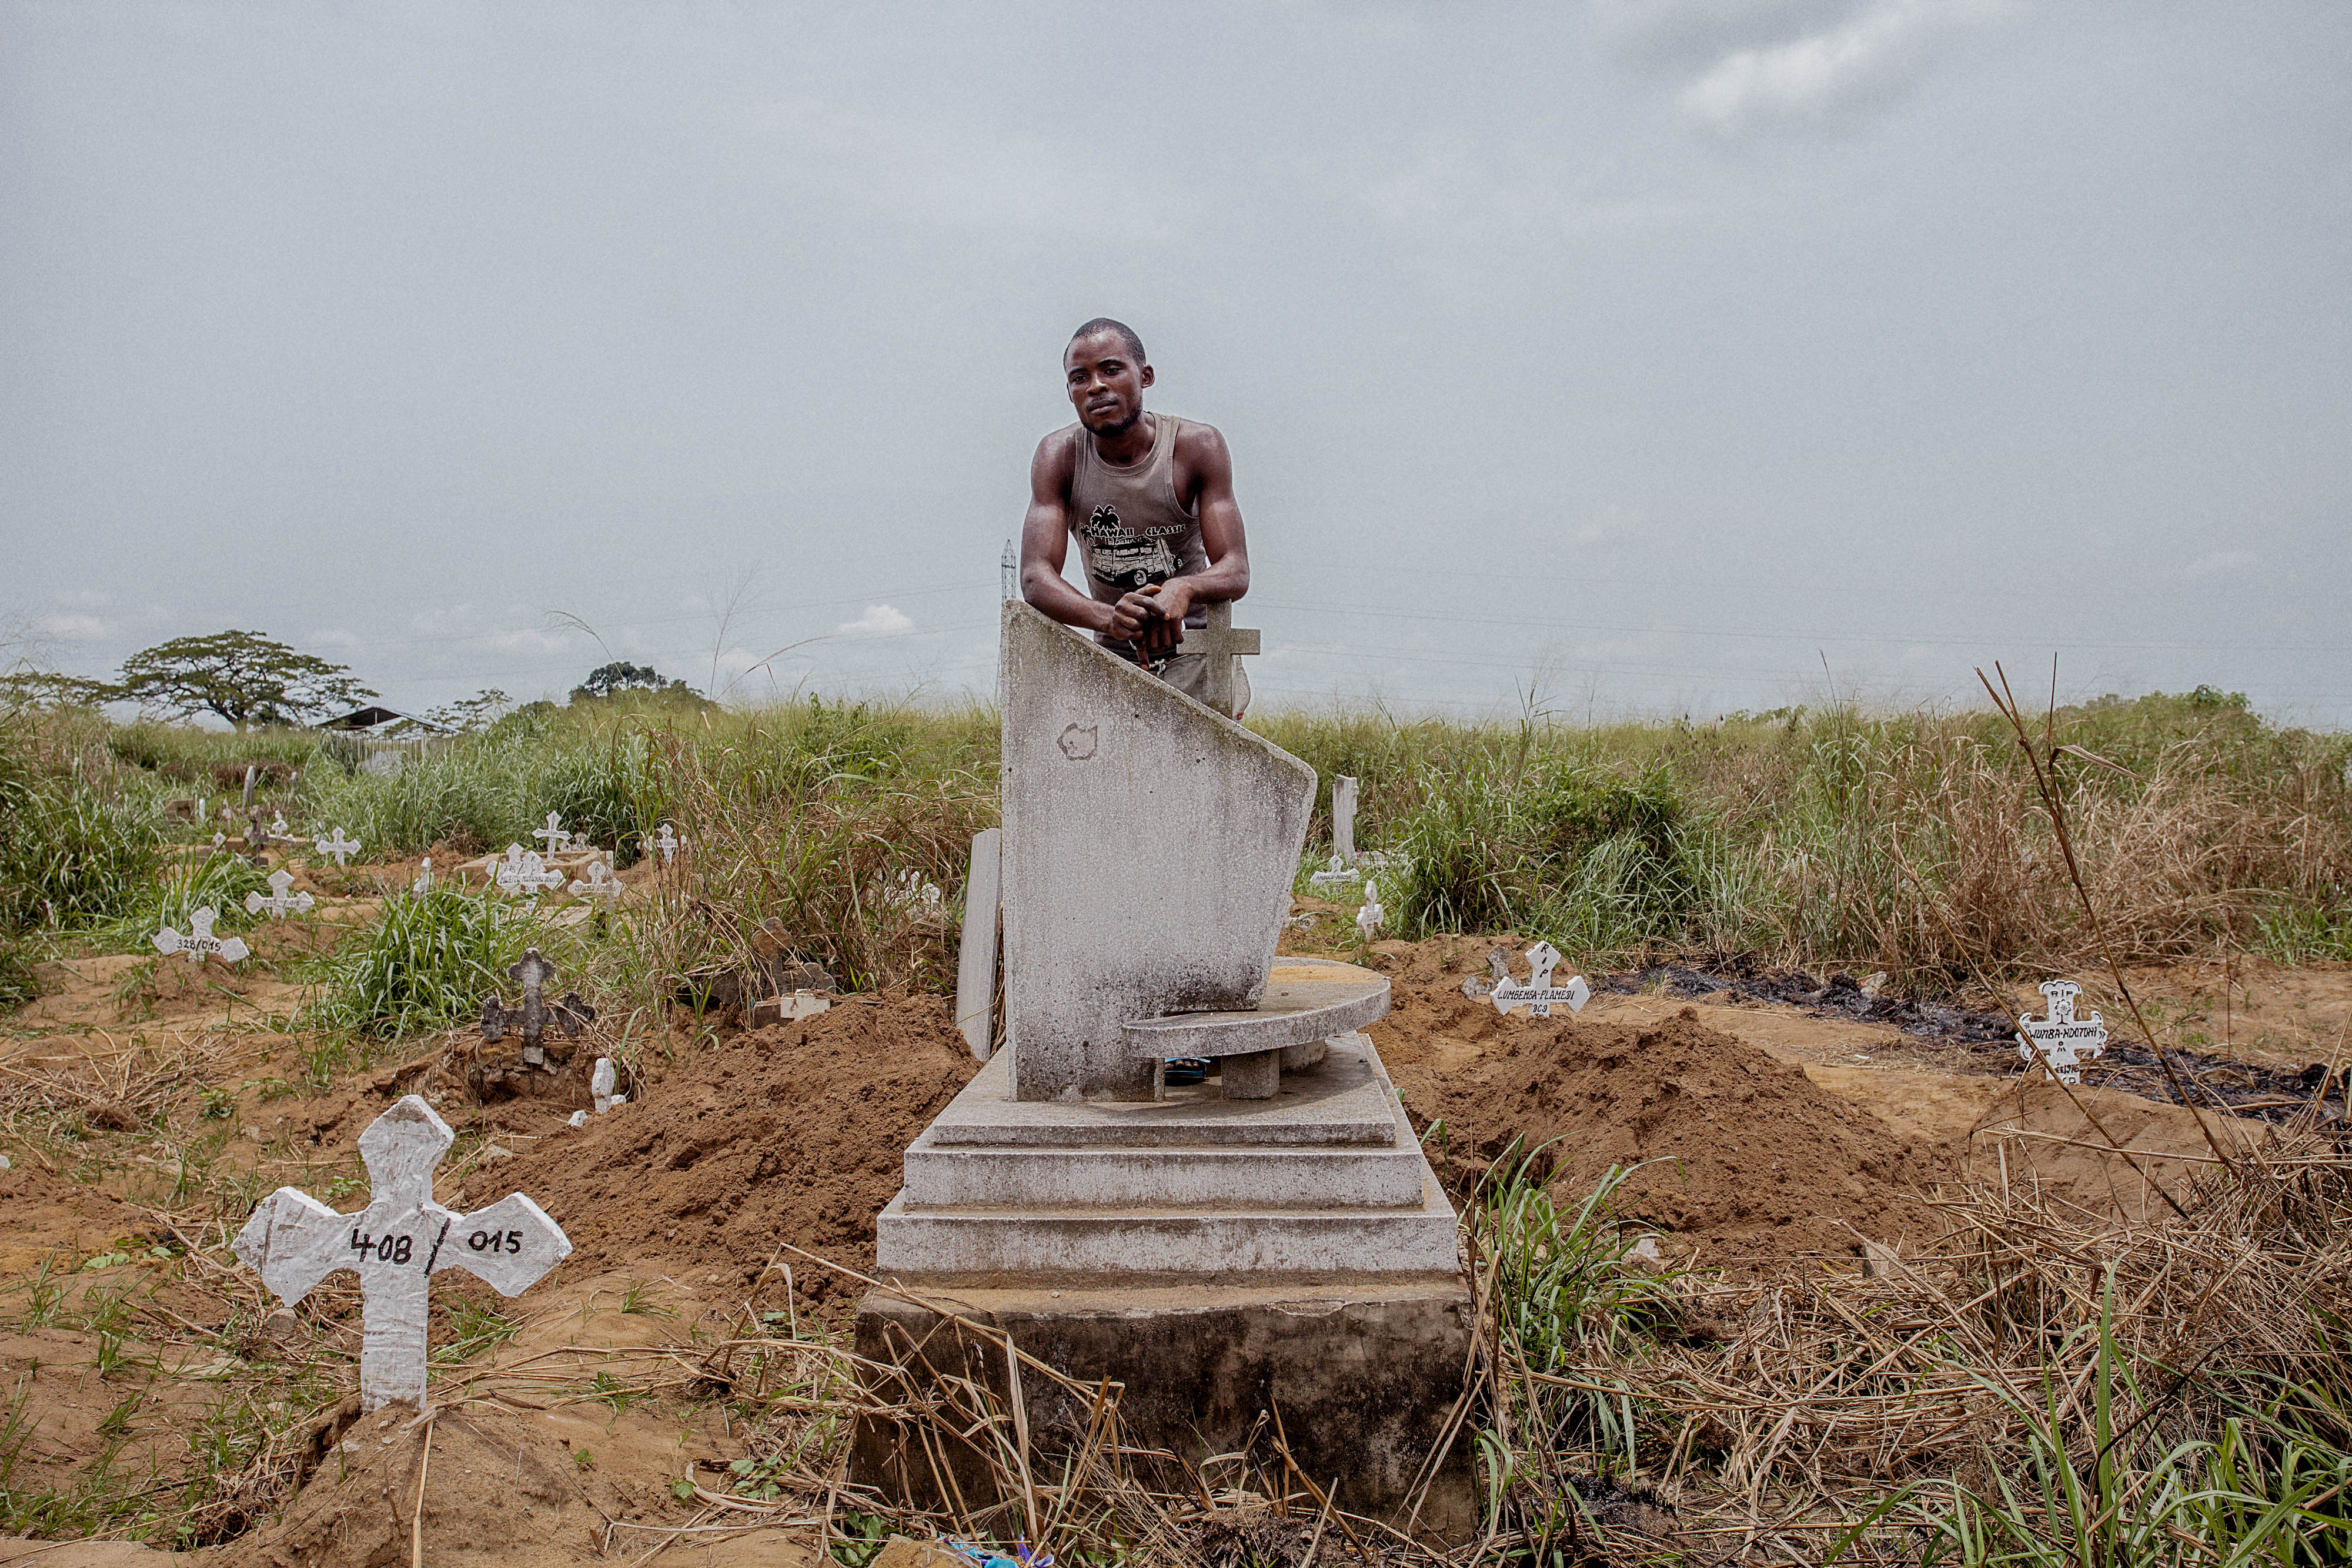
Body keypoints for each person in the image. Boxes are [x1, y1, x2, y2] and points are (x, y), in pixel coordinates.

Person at [1019, 317, 1252, 717]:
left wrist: (1183, 588)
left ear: (1145, 376)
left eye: (1111, 369)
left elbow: (1236, 570)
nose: (1095, 386)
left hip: (1196, 653)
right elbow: (1035, 576)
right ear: (1070, 392)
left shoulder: (1196, 448)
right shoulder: (1059, 457)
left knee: (1199, 776)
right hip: (1115, 655)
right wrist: (1110, 618)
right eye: (1080, 378)